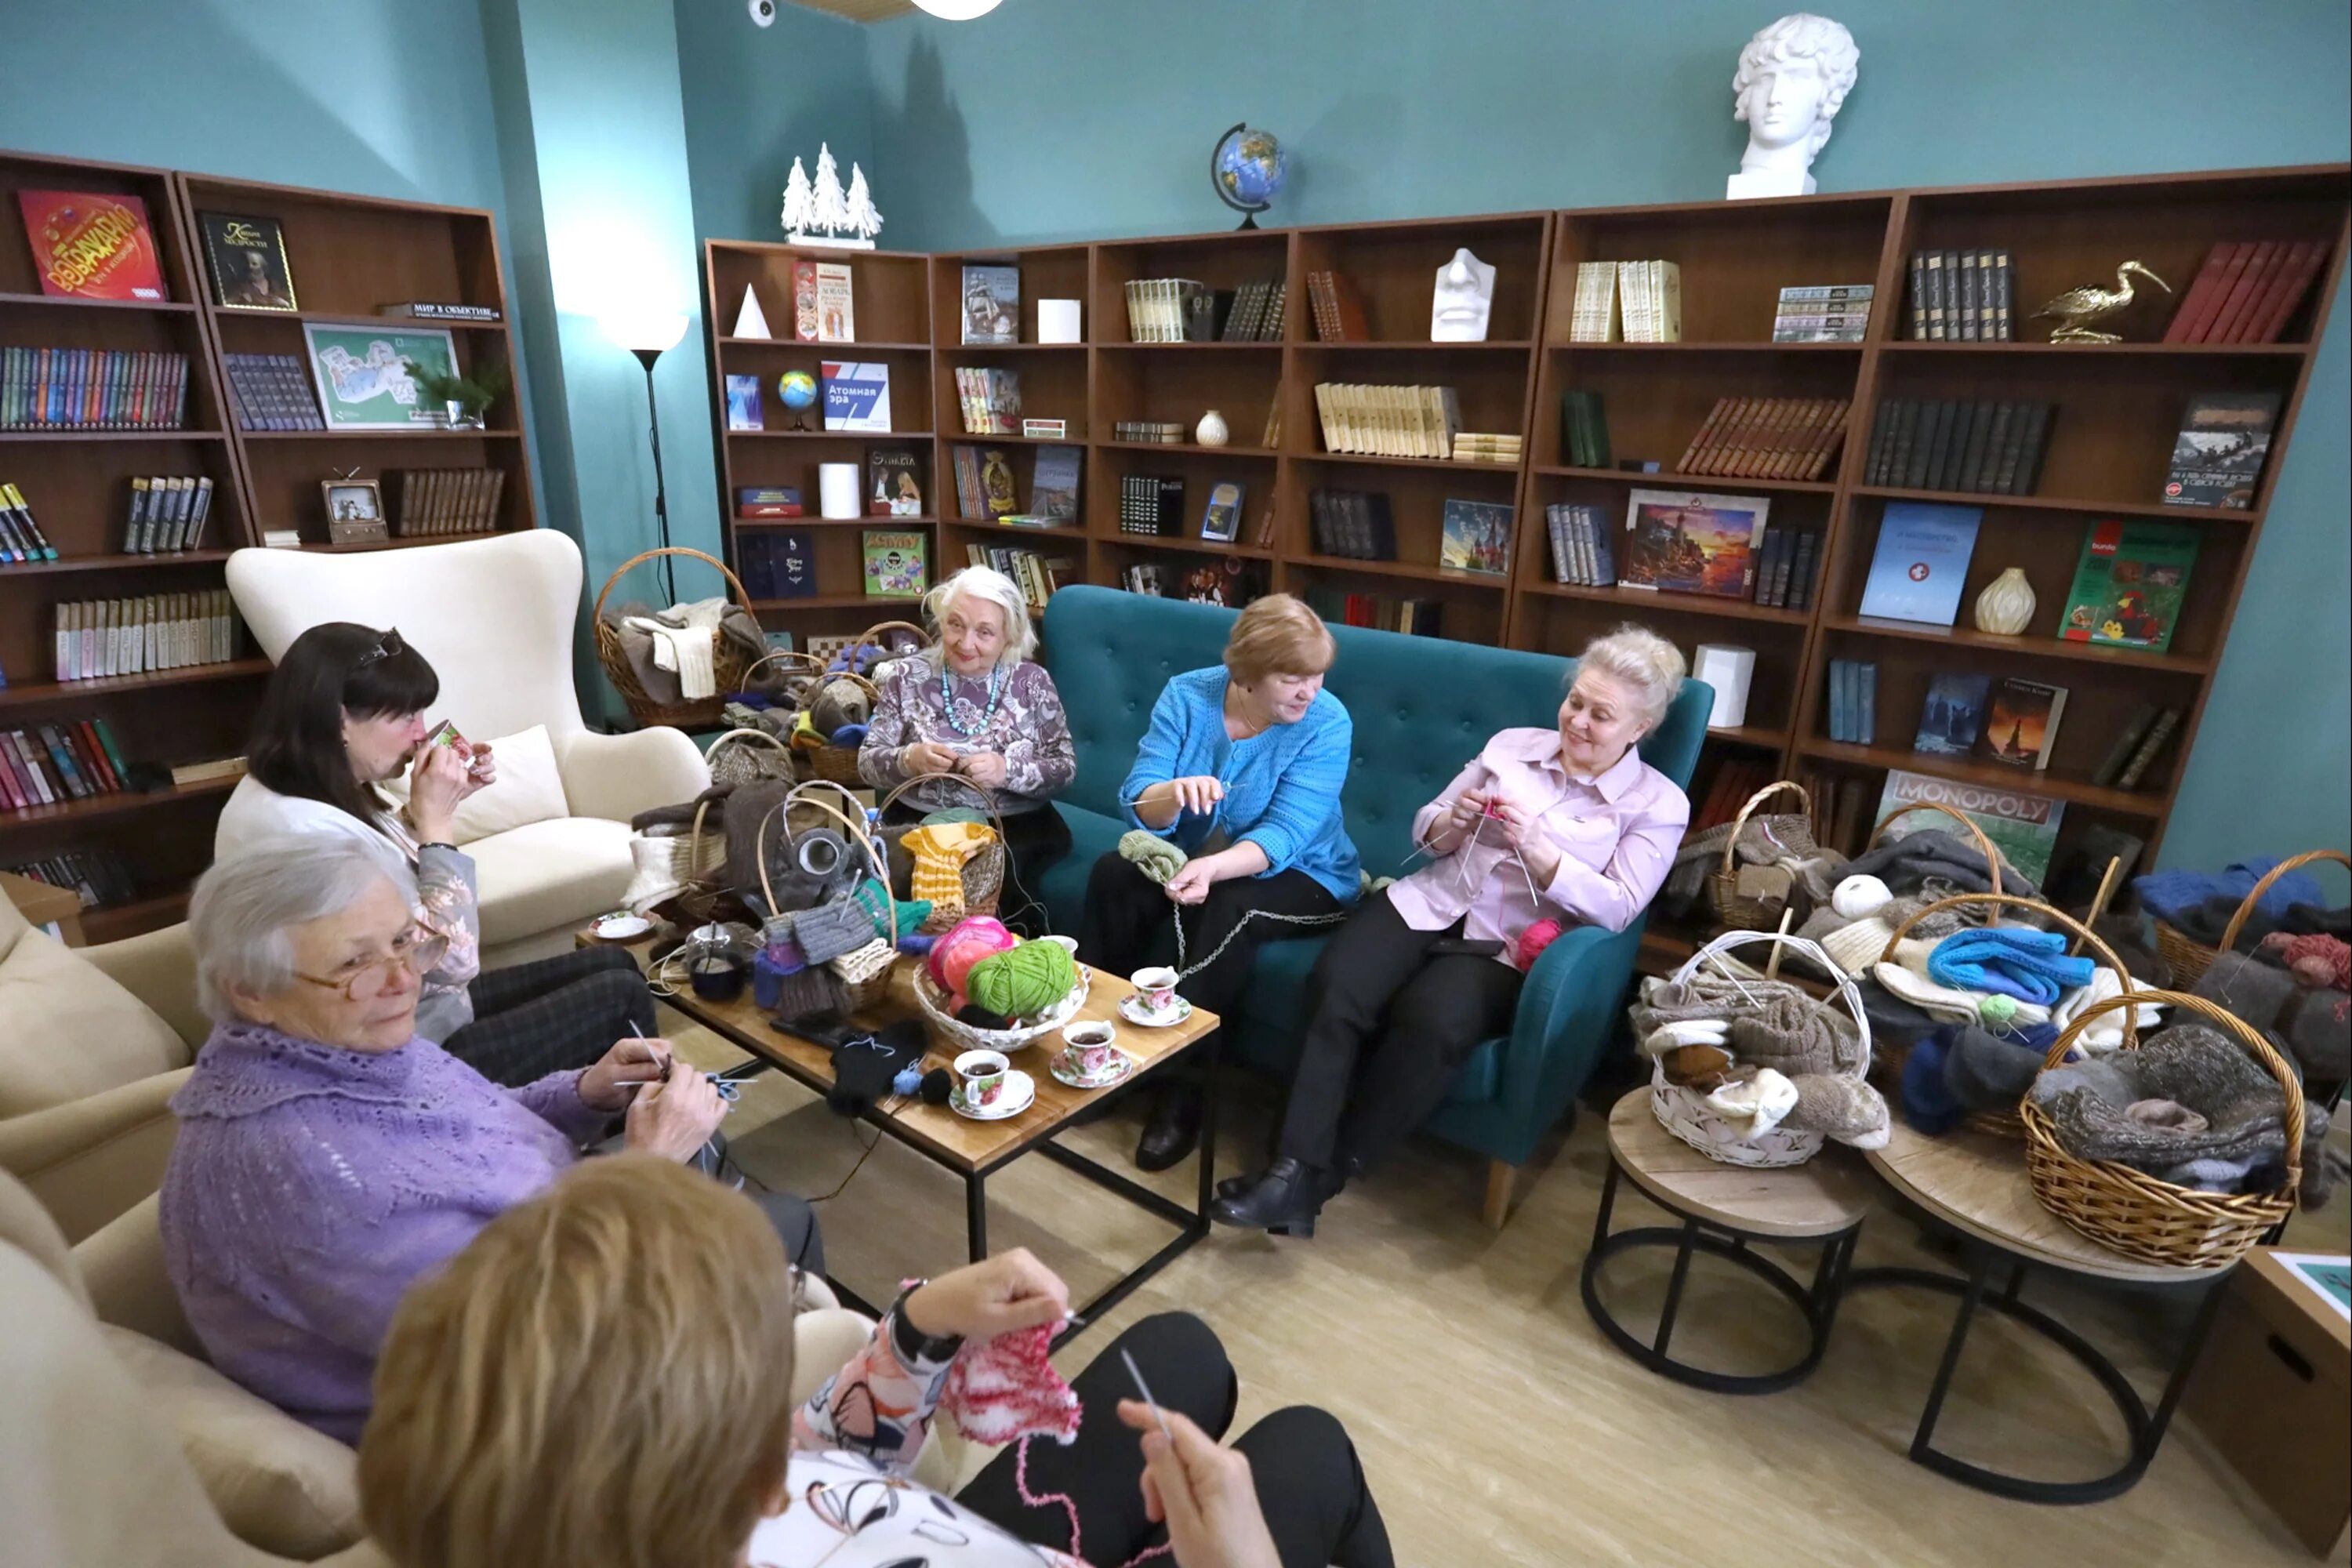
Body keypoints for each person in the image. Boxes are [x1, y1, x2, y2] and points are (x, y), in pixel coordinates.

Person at [358, 1156, 1392, 1568]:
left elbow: (825, 1460)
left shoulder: (630, 1509)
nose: (782, 1436)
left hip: (937, 1537)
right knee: (1313, 1448)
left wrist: (924, 1330)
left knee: (1184, 1347)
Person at [159, 836, 822, 1444]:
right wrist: (649, 1168)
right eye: (356, 962)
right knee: (781, 1222)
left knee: (721, 1178)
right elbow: (522, 1346)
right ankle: (773, 1459)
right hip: (523, 1428)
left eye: (403, 942)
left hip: (562, 1256)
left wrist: (583, 1092)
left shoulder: (327, 1047)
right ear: (250, 991)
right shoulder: (301, 1170)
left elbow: (462, 1139)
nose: (403, 980)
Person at [1214, 626, 1690, 1235]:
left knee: (1433, 1022)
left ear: (1639, 729)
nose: (1578, 723)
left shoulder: (1658, 805)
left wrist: (1545, 856)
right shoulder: (1513, 746)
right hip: (1431, 898)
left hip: (1510, 945)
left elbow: (1620, 907)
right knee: (1337, 984)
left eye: (1602, 716)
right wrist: (1454, 822)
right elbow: (1426, 833)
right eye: (1576, 703)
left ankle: (1320, 1178)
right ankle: (1288, 1169)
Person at [215, 621, 652, 1086]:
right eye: (405, 717)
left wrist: (442, 802)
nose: (421, 735)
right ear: (340, 718)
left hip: (417, 1013)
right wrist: (437, 826)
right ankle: (633, 1143)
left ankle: (584, 1126)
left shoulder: (300, 787)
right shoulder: (302, 835)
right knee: (619, 994)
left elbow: (379, 862)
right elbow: (449, 960)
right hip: (394, 1058)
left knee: (614, 961)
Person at [1077, 594, 1359, 1171]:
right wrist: (1172, 794)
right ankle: (1100, 1050)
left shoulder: (1327, 722)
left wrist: (1211, 867)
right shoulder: (1189, 694)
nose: (1310, 691)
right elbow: (1140, 796)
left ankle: (1184, 1092)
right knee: (1115, 873)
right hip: (1199, 856)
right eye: (1292, 679)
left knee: (1229, 907)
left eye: (1316, 675)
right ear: (1247, 674)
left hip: (1311, 875)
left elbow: (1286, 834)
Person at [861, 564, 1077, 935]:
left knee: (999, 887)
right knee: (894, 882)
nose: (965, 643)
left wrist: (1006, 771)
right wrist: (908, 760)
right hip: (918, 820)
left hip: (1014, 826)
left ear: (1009, 637)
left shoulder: (1032, 682)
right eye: (955, 625)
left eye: (985, 632)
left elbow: (1065, 768)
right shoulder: (907, 676)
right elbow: (866, 762)